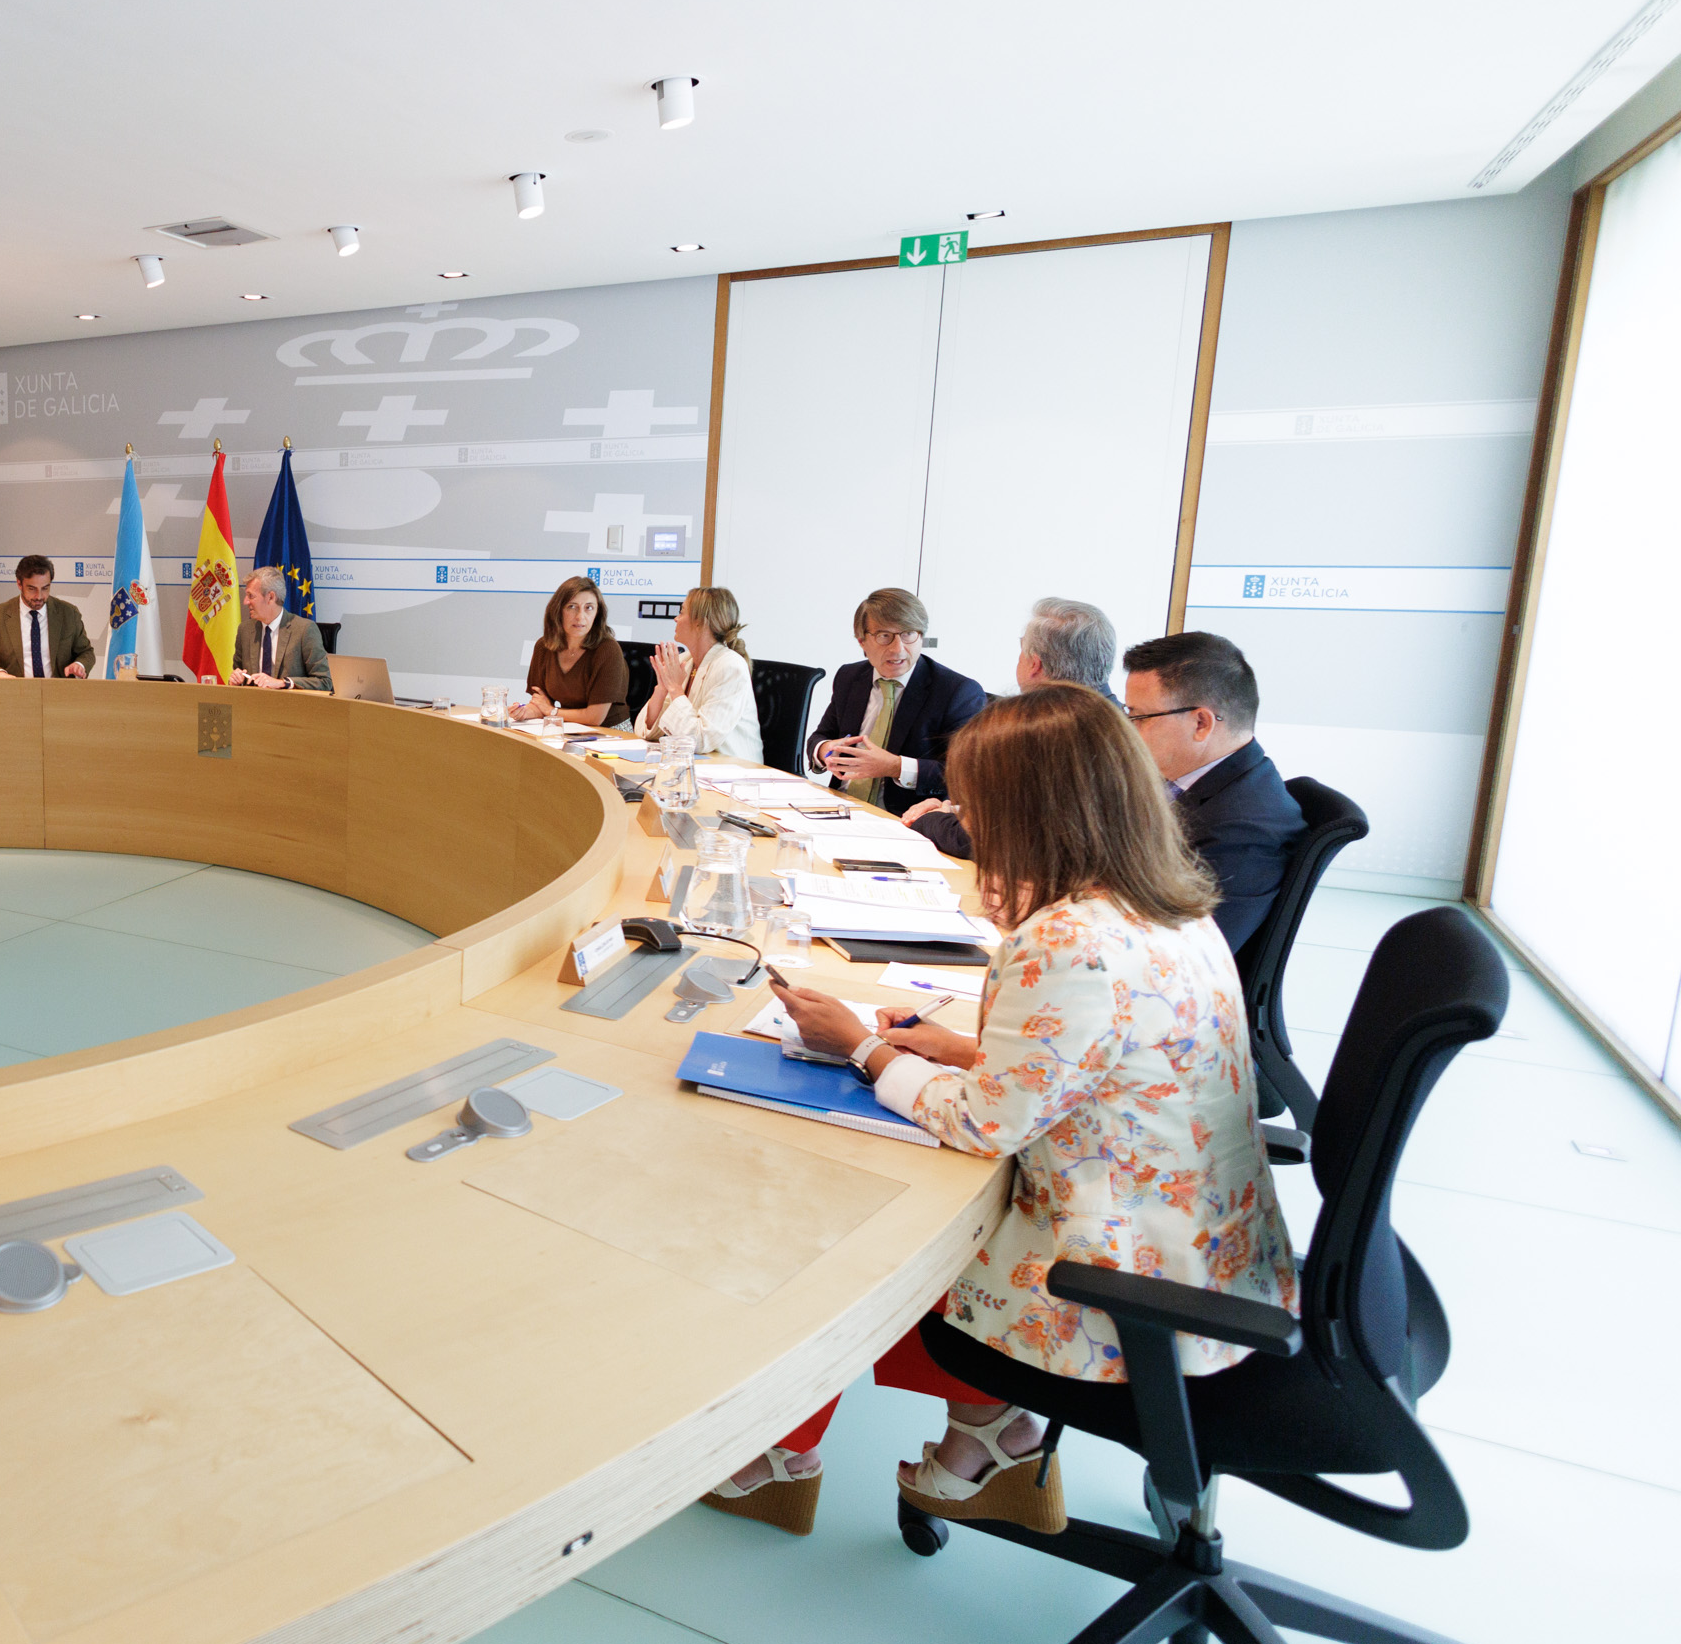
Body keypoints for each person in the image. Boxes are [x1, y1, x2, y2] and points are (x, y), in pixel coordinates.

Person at [710, 683, 1296, 1538]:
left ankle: (780, 1453)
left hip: (1125, 1291)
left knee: (857, 1228)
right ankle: (988, 1437)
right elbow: (1098, 1067)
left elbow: (983, 1124)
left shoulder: (1069, 939)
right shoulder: (1170, 903)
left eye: (976, 803)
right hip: (1212, 1257)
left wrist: (862, 1047)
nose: (965, 818)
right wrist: (960, 1049)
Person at [1121, 630, 1306, 955]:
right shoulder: (1189, 776)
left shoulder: (1243, 832)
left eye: (1139, 717)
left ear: (1201, 724)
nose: (1129, 730)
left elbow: (1185, 956)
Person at [903, 596, 1117, 856]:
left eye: (1021, 649)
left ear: (1034, 664)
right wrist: (954, 810)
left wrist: (931, 820)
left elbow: (993, 838)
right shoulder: (1121, 720)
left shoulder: (1041, 730)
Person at [804, 587, 982, 812]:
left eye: (908, 634)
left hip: (906, 817)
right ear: (862, 641)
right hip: (841, 806)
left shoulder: (957, 691)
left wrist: (895, 767)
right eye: (884, 636)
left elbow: (966, 773)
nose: (898, 649)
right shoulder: (849, 677)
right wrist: (825, 750)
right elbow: (821, 737)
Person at [636, 585, 761, 761]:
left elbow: (700, 741)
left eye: (682, 612)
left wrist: (675, 688)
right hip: (693, 766)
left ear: (700, 622)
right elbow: (645, 732)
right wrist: (662, 688)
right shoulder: (684, 661)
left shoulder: (731, 667)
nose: (675, 619)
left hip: (733, 771)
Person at [512, 575, 627, 725]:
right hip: (570, 727)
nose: (580, 616)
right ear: (558, 611)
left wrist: (552, 711)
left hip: (610, 731)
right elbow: (541, 703)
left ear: (597, 614)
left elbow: (594, 718)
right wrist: (526, 711)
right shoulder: (544, 646)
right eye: (572, 607)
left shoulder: (608, 650)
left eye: (589, 608)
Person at [0, 554, 93, 677]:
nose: (39, 596)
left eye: (45, 588)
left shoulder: (69, 613)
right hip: (15, 688)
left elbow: (86, 652)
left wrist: (79, 664)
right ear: (19, 584)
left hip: (58, 688)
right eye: (32, 589)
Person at [229, 562, 331, 691]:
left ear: (271, 597)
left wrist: (283, 683)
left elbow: (324, 682)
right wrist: (236, 681)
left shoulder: (304, 630)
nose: (245, 602)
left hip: (289, 703)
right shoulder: (245, 630)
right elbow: (240, 675)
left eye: (251, 596)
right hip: (253, 702)